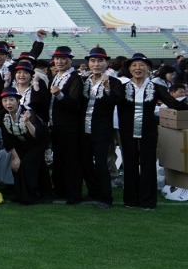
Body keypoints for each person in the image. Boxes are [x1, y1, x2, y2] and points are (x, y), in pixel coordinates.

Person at [113, 53, 187, 209]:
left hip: (149, 131)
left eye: (141, 65)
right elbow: (112, 101)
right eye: (134, 65)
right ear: (129, 69)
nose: (137, 68)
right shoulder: (122, 87)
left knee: (148, 165)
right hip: (127, 131)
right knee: (129, 164)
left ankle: (148, 201)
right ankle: (131, 200)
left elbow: (173, 103)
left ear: (147, 68)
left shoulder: (156, 87)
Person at [79, 47, 116, 208]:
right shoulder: (85, 80)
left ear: (106, 63)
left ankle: (106, 197)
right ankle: (93, 192)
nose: (96, 64)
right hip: (85, 128)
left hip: (102, 128)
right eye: (93, 61)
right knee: (86, 162)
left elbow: (115, 101)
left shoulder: (113, 81)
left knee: (101, 163)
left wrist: (107, 87)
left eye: (100, 61)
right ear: (88, 63)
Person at [0, 88, 48, 205]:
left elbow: (37, 135)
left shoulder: (28, 112)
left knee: (27, 166)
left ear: (18, 101)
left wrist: (27, 121)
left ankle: (31, 196)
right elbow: (7, 138)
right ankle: (21, 195)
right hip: (21, 144)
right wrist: (15, 157)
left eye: (11, 100)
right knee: (16, 166)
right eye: (5, 100)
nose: (8, 103)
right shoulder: (2, 115)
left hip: (37, 143)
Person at [48, 46, 84, 204]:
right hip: (56, 125)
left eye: (63, 58)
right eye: (57, 58)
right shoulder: (56, 76)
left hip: (69, 126)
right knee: (59, 160)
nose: (60, 61)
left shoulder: (75, 78)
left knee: (71, 161)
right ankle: (61, 189)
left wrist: (59, 94)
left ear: (70, 60)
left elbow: (74, 104)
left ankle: (73, 194)